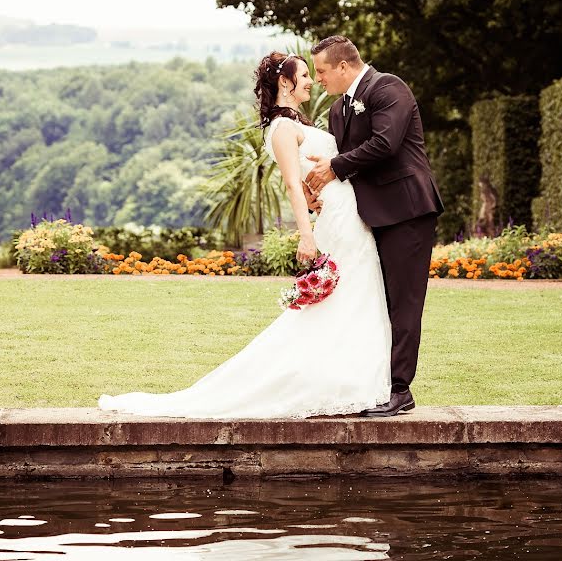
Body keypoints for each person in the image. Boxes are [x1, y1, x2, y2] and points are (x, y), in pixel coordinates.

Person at [97, 51, 392, 419]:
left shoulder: (293, 123)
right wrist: (306, 235)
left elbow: (305, 177)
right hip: (338, 220)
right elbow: (289, 184)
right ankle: (336, 381)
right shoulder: (282, 129)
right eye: (303, 75)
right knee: (343, 297)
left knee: (357, 294)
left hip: (345, 212)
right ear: (285, 82)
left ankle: (356, 378)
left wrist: (316, 193)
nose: (310, 81)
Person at [305, 36, 444, 417]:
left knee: (403, 302)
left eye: (321, 71)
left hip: (406, 211)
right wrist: (319, 191)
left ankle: (401, 390)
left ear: (344, 67)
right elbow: (343, 163)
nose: (318, 79)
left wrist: (333, 168)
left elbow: (385, 144)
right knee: (373, 302)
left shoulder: (388, 88)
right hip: (369, 218)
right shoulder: (337, 111)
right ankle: (375, 383)